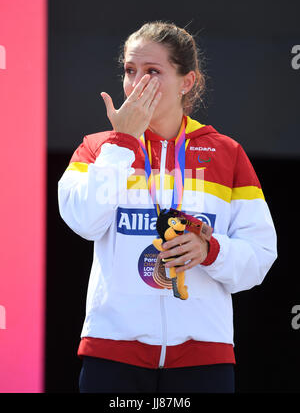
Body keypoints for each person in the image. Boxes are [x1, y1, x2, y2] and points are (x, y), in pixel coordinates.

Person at [58, 21, 277, 393]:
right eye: (130, 71)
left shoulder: (227, 153)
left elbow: (260, 256)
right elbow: (84, 222)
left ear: (187, 82)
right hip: (113, 353)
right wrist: (122, 142)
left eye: (152, 72)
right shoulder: (99, 149)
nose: (136, 84)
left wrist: (211, 250)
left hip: (203, 357)